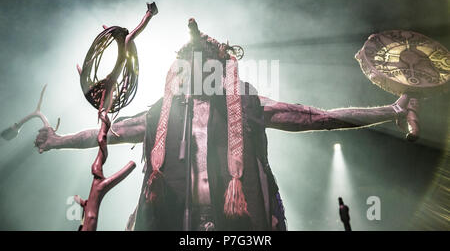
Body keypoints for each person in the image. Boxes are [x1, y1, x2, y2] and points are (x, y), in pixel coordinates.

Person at [34, 19, 411, 231]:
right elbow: (106, 134)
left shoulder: (248, 105)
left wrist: (391, 110)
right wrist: (57, 140)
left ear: (218, 68)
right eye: (187, 64)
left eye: (203, 63)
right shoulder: (161, 113)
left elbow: (318, 117)